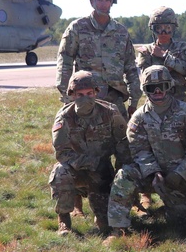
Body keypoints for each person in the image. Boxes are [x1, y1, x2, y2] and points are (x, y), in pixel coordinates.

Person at [106, 66, 186, 239]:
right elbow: (138, 150)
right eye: (151, 88)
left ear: (170, 87)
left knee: (184, 223)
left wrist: (180, 173)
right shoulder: (139, 118)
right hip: (150, 176)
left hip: (181, 178)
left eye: (162, 86)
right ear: (145, 90)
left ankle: (166, 210)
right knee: (124, 176)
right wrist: (154, 172)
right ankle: (118, 229)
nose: (157, 92)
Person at [49, 71, 130, 236]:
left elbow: (123, 144)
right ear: (72, 95)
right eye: (80, 94)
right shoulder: (64, 117)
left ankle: (101, 216)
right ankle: (64, 220)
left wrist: (122, 174)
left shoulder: (110, 112)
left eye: (89, 94)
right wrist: (90, 163)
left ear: (96, 93)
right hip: (75, 169)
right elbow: (62, 153)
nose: (85, 98)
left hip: (101, 172)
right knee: (60, 171)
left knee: (104, 224)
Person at [55, 0, 141, 119]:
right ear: (92, 1)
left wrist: (134, 100)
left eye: (107, 0)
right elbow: (65, 61)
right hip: (85, 95)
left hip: (115, 96)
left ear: (112, 2)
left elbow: (130, 67)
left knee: (121, 137)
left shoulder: (121, 32)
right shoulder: (77, 28)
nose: (103, 3)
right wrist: (67, 95)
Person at [135, 6, 186, 101]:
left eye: (168, 28)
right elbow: (144, 79)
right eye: (159, 28)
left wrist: (165, 56)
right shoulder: (146, 51)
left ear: (173, 29)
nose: (163, 32)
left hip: (178, 100)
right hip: (154, 99)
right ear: (153, 29)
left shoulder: (182, 48)